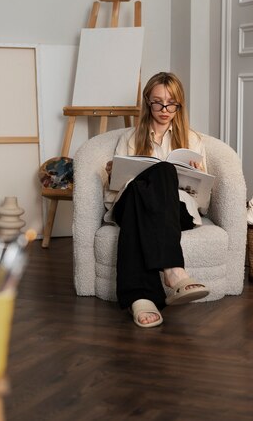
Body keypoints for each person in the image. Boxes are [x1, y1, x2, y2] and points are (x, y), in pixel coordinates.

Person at [104, 71, 209, 328]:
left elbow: (203, 201)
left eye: (171, 102)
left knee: (164, 171)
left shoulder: (193, 140)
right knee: (155, 177)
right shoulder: (128, 139)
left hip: (177, 211)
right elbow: (113, 197)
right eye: (157, 102)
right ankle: (173, 271)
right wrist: (112, 175)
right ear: (147, 102)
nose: (164, 109)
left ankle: (139, 297)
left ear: (179, 104)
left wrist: (198, 176)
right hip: (130, 206)